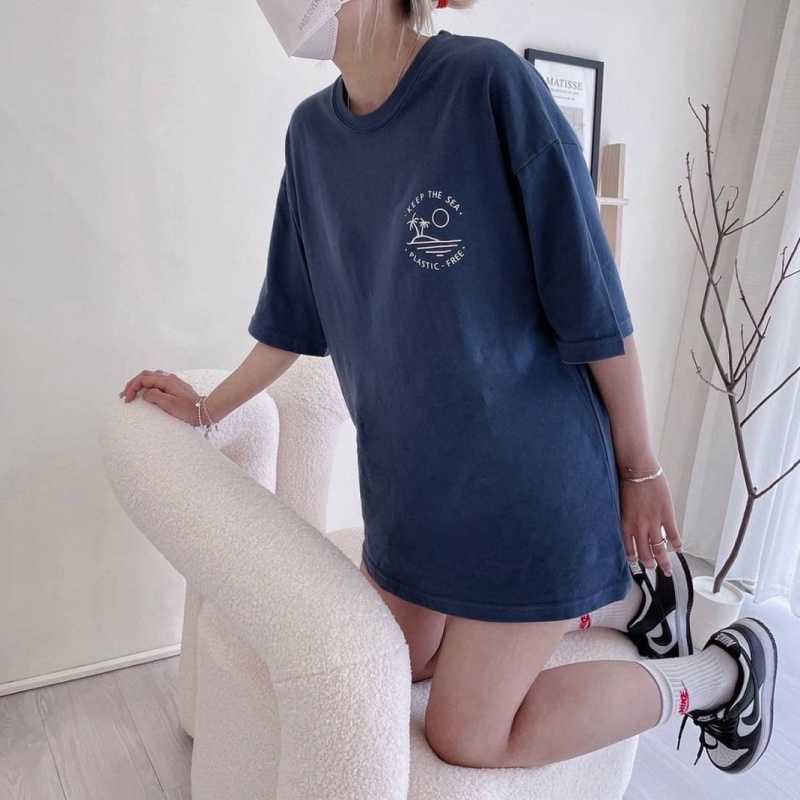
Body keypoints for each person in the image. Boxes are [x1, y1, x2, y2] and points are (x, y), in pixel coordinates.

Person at [120, 0, 778, 776]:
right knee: (386, 665)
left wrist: (639, 469)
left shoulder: (487, 84)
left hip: (529, 490)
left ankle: (725, 673)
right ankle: (630, 601)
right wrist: (206, 407)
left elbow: (594, 302)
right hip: (409, 499)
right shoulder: (311, 135)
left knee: (466, 734)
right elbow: (292, 319)